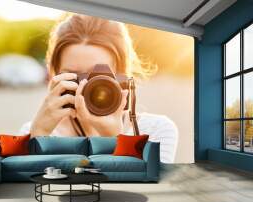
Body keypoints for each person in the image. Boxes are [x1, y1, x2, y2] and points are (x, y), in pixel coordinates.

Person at [19, 14, 178, 163]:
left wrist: (113, 140)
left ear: (122, 77)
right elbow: (25, 191)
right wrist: (37, 136)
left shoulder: (155, 131)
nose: (86, 87)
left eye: (97, 76)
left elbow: (147, 192)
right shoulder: (37, 133)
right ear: (54, 75)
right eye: (74, 76)